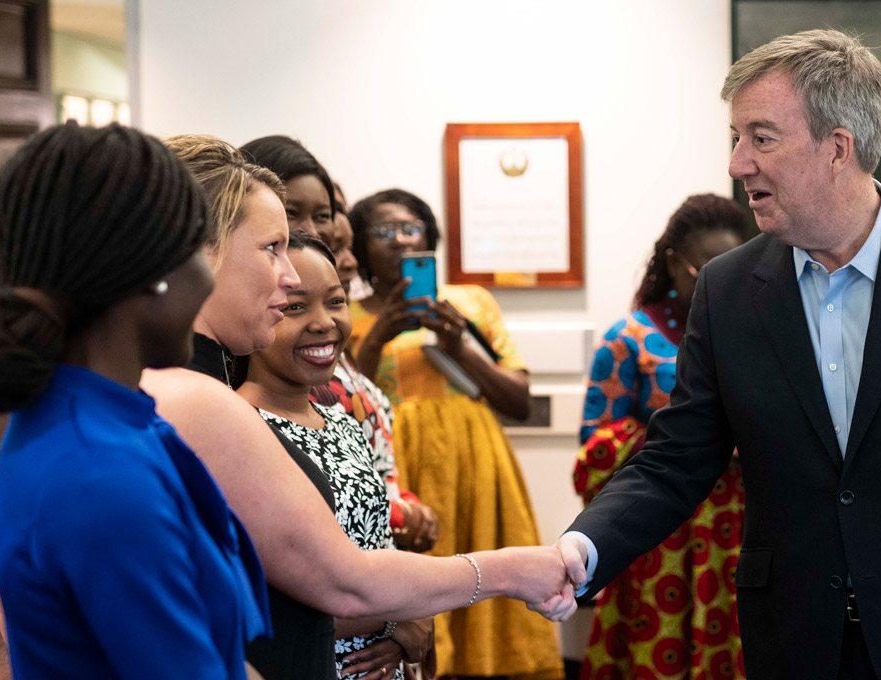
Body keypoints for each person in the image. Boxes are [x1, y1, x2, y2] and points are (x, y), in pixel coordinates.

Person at [542, 30, 881, 680]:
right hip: (794, 642)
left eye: (760, 138)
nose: (738, 163)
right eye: (736, 138)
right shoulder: (729, 288)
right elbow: (676, 458)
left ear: (837, 149)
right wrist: (581, 546)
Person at [140, 136, 572, 680]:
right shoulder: (200, 398)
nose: (290, 274)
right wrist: (511, 568)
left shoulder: (148, 383)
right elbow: (346, 583)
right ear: (203, 250)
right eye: (271, 247)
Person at [0, 123, 270, 679]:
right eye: (196, 248)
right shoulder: (99, 472)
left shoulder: (113, 423)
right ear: (152, 277)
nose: (206, 277)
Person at [348, 188, 563, 679]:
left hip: (476, 465)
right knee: (416, 592)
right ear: (360, 246)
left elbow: (519, 400)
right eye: (382, 232)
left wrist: (458, 345)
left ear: (430, 238)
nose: (399, 241)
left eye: (411, 229)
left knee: (487, 583)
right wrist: (379, 334)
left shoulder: (470, 303)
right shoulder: (346, 312)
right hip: (397, 468)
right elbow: (344, 401)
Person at [238, 233, 432, 680]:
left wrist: (413, 620)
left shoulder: (342, 421)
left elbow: (378, 549)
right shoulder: (240, 426)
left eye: (335, 301)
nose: (324, 322)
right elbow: (262, 604)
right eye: (295, 306)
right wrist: (398, 616)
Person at [574, 194, 750, 680]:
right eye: (705, 268)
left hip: (737, 533)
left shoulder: (753, 329)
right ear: (674, 263)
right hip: (660, 534)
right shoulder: (628, 338)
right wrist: (690, 434)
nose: (720, 280)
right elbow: (593, 450)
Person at [242, 135, 439, 553]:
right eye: (291, 213)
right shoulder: (246, 413)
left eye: (323, 215)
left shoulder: (336, 418)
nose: (313, 232)